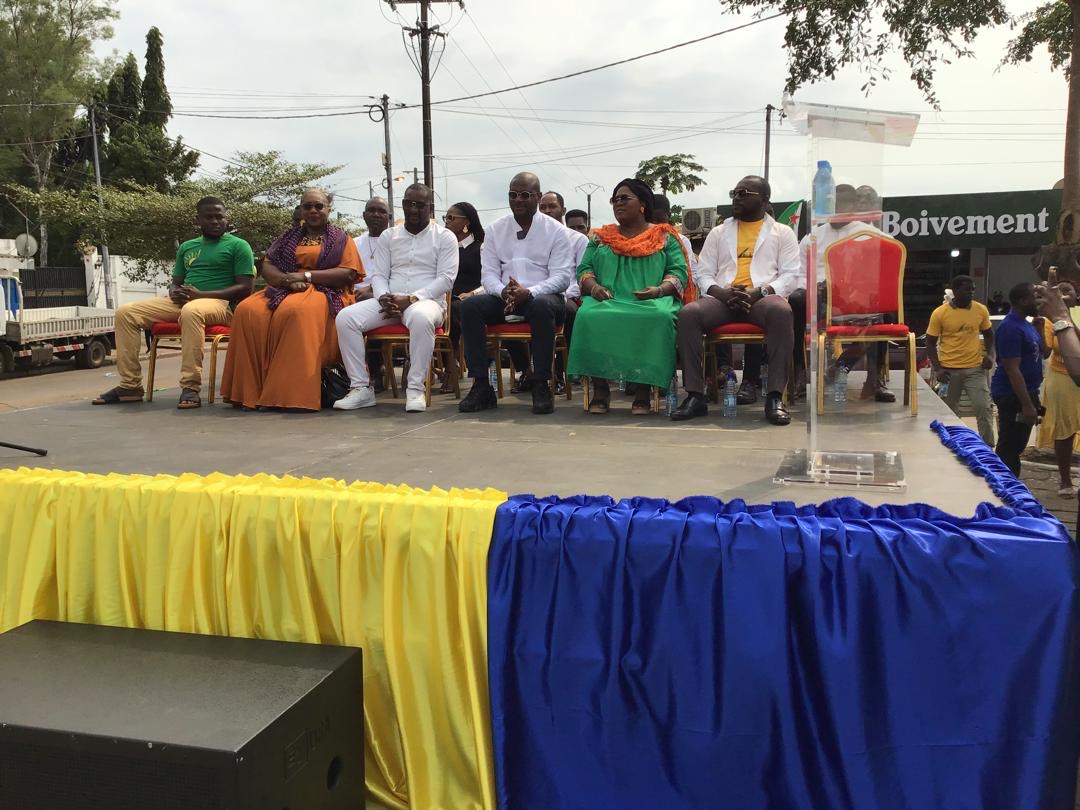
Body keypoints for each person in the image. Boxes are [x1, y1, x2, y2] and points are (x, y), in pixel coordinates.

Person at [93, 196, 254, 409]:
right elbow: (175, 282)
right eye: (209, 217)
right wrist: (174, 292)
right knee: (126, 312)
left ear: (227, 218)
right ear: (198, 220)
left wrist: (200, 295)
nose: (215, 221)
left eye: (219, 217)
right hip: (186, 301)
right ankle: (130, 386)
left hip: (222, 305)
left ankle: (190, 387)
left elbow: (245, 288)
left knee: (191, 311)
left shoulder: (239, 246)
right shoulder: (187, 247)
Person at [673, 175, 800, 425]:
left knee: (782, 312)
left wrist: (760, 292)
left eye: (743, 193)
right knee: (689, 314)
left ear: (764, 199)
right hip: (723, 299)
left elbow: (790, 276)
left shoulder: (782, 232)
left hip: (762, 298)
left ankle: (774, 396)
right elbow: (703, 273)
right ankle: (695, 395)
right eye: (734, 193)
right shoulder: (719, 232)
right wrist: (722, 293)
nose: (736, 198)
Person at [220, 188, 362, 411]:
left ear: (328, 208)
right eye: (308, 206)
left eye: (319, 206)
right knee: (247, 310)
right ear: (301, 209)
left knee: (296, 311)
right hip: (284, 288)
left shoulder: (341, 239)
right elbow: (268, 266)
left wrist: (306, 276)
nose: (313, 211)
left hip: (327, 291)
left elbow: (348, 273)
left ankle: (289, 395)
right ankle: (250, 393)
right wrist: (287, 281)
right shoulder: (287, 238)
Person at [333, 184, 458, 413]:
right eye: (409, 204)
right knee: (346, 318)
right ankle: (361, 388)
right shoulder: (389, 236)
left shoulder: (445, 237)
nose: (413, 209)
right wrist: (383, 298)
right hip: (389, 303)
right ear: (402, 205)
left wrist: (412, 298)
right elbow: (380, 275)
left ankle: (415, 389)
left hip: (427, 303)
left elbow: (446, 279)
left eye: (419, 205)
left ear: (430, 208)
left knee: (420, 317)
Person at [567, 179, 688, 415]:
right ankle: (600, 388)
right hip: (607, 300)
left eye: (625, 198)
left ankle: (643, 389)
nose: (618, 203)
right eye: (615, 199)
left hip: (651, 300)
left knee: (660, 316)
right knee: (587, 314)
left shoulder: (664, 236)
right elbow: (584, 270)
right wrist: (594, 288)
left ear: (643, 204)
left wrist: (658, 290)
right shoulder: (600, 237)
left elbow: (678, 273)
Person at [458, 172, 572, 415]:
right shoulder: (495, 229)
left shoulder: (556, 231)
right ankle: (481, 385)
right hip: (505, 298)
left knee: (541, 306)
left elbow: (562, 277)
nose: (518, 200)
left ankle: (540, 383)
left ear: (538, 197)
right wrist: (503, 292)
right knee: (469, 307)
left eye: (525, 195)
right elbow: (488, 274)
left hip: (543, 298)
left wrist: (529, 292)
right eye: (513, 195)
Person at [926, 274, 996, 446]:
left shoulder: (980, 310)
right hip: (949, 371)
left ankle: (987, 447)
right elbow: (930, 343)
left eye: (972, 289)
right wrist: (938, 369)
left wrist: (990, 356)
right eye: (966, 289)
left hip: (975, 370)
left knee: (984, 407)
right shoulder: (940, 313)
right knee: (950, 413)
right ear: (955, 291)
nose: (971, 293)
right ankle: (953, 445)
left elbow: (989, 335)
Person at [991, 282, 1044, 477]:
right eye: (1035, 297)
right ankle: (1003, 483)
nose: (1039, 301)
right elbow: (1012, 369)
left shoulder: (1027, 325)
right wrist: (1026, 405)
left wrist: (1040, 329)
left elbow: (1044, 353)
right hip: (1012, 395)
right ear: (1023, 301)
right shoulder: (1010, 328)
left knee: (1018, 444)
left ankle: (1010, 481)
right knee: (1009, 446)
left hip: (1028, 391)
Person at [1036, 280, 1080, 494]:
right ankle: (1065, 481)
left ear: (1076, 295)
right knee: (1064, 430)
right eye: (1059, 291)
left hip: (1077, 375)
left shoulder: (1068, 315)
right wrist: (1041, 327)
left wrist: (1065, 319)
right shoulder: (1049, 318)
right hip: (1060, 379)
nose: (1063, 294)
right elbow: (1046, 351)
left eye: (1067, 290)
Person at [439, 200, 484, 393]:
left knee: (455, 309)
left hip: (470, 299)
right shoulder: (442, 247)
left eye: (451, 218)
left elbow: (490, 280)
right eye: (445, 217)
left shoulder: (481, 247)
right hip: (442, 297)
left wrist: (473, 294)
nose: (446, 222)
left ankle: (452, 367)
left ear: (466, 222)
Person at [355, 197, 391, 390]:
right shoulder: (354, 243)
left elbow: (397, 274)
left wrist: (371, 290)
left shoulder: (396, 241)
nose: (376, 214)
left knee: (372, 307)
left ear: (389, 216)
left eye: (381, 211)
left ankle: (377, 370)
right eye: (371, 210)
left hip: (384, 294)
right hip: (354, 294)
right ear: (364, 215)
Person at [652, 195, 698, 283]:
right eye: (651, 220)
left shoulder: (681, 241)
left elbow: (692, 273)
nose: (656, 225)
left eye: (659, 220)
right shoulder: (641, 243)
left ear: (669, 215)